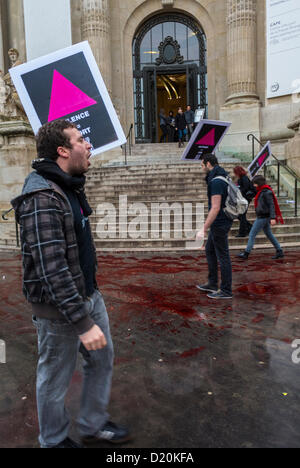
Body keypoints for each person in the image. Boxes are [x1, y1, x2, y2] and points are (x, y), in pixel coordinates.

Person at [11, 120, 131, 448]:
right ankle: (53, 440)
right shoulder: (41, 195)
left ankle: (93, 424)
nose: (89, 145)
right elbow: (52, 269)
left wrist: (90, 299)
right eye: (81, 140)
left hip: (88, 295)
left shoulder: (68, 184)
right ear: (63, 150)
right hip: (58, 309)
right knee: (54, 379)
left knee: (102, 358)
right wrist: (81, 321)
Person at [196, 154, 233, 299]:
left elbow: (215, 207)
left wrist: (203, 229)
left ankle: (226, 290)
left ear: (208, 164)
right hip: (219, 222)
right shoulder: (221, 176)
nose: (201, 168)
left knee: (223, 256)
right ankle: (212, 283)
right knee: (210, 250)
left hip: (220, 222)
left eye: (202, 165)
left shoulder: (217, 182)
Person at [237, 175, 284, 260]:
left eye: (255, 184)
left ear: (259, 183)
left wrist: (273, 218)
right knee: (269, 234)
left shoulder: (266, 192)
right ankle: (279, 251)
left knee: (252, 234)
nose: (254, 185)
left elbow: (271, 205)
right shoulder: (261, 191)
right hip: (262, 216)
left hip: (263, 216)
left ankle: (246, 253)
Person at [233, 166, 255, 237]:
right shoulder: (242, 178)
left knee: (241, 215)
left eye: (235, 172)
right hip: (242, 199)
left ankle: (243, 232)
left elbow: (245, 189)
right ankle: (250, 227)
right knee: (240, 215)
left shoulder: (244, 178)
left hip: (245, 199)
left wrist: (238, 190)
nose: (234, 174)